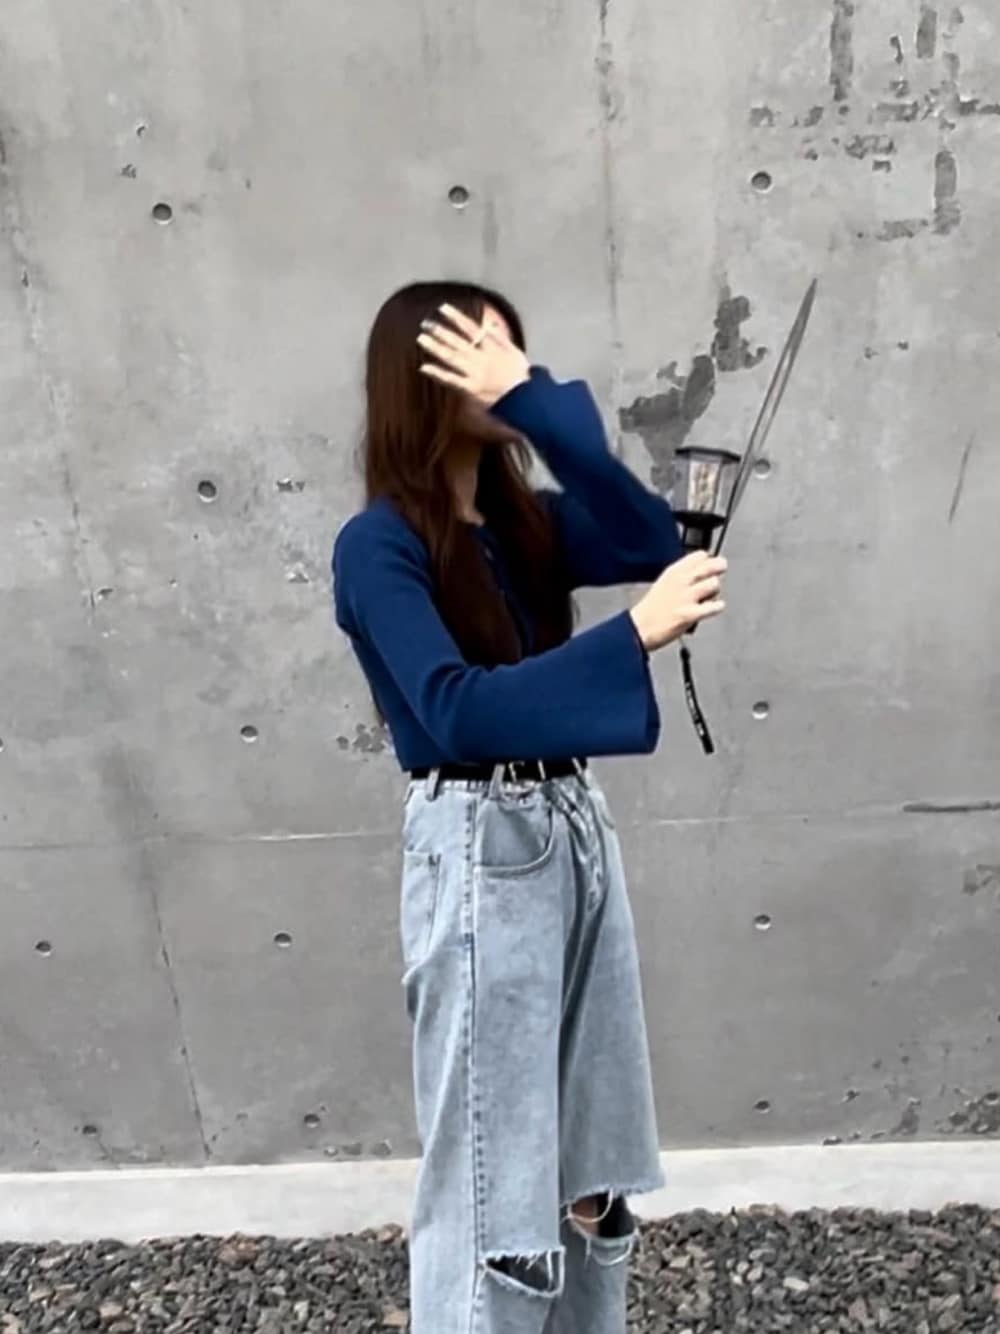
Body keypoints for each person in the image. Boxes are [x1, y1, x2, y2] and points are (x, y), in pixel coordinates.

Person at [332, 280, 727, 1333]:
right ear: (419, 378)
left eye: (515, 348)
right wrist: (633, 635)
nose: (505, 364)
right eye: (481, 350)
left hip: (571, 827)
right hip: (477, 842)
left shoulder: (527, 524)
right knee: (493, 1175)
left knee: (593, 1161)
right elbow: (455, 711)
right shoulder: (377, 544)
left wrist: (541, 404)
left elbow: (649, 536)